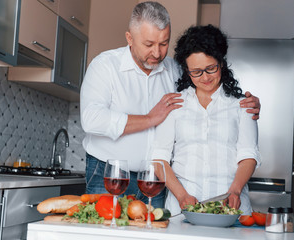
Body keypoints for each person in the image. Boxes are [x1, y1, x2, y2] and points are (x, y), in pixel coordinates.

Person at [80, 2, 260, 208]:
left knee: (153, 231)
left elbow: (204, 84)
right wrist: (149, 119)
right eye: (149, 44)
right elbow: (91, 120)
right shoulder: (105, 66)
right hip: (110, 173)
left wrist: (248, 105)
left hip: (154, 180)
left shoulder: (174, 70)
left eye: (163, 43)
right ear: (129, 38)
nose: (157, 53)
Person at [151, 25, 261, 215]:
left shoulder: (242, 105)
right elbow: (159, 159)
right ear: (187, 70)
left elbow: (248, 155)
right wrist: (182, 196)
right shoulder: (175, 104)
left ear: (221, 63)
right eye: (196, 71)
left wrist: (234, 190)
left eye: (211, 68)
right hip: (182, 210)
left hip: (231, 209)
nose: (205, 77)